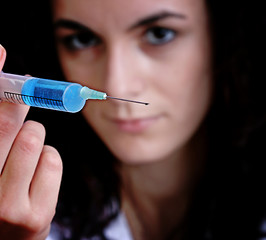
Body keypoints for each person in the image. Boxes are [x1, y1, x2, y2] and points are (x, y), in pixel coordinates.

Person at [0, 0, 266, 239]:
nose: (118, 86)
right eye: (81, 39)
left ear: (222, 37)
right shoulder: (24, 216)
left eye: (158, 34)